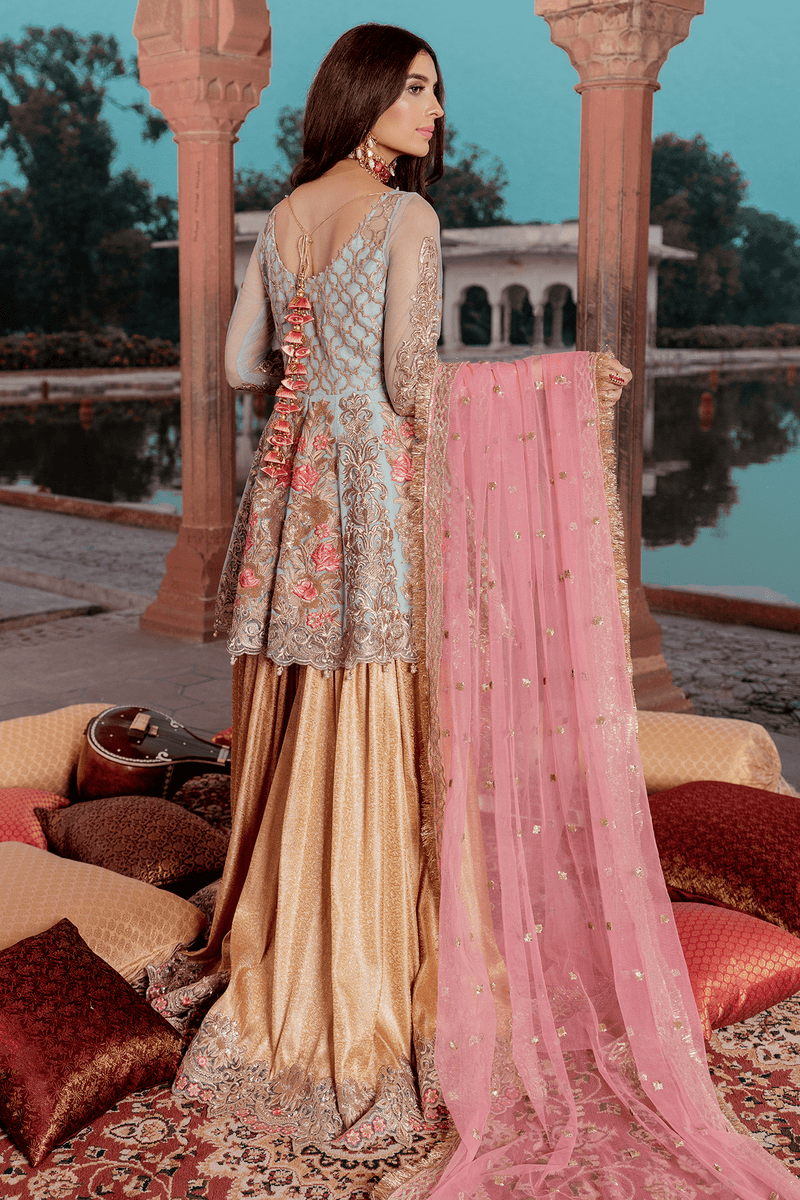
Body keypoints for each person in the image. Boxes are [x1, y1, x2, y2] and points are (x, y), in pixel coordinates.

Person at [167, 23, 800, 1200]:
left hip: (293, 505)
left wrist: (312, 374)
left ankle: (285, 953)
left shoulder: (286, 216)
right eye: (414, 89)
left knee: (306, 715)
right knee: (382, 717)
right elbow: (411, 383)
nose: (434, 110)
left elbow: (244, 365)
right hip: (373, 506)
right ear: (364, 96)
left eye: (437, 91)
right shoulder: (405, 218)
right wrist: (562, 385)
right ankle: (370, 979)